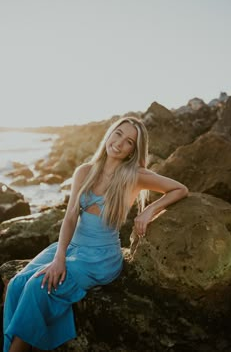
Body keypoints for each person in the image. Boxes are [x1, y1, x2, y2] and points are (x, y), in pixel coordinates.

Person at [3, 115, 188, 352]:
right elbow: (70, 217)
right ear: (110, 133)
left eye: (129, 142)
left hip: (100, 257)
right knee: (18, 283)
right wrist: (59, 257)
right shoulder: (84, 171)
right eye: (118, 134)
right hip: (72, 247)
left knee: (38, 286)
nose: (120, 143)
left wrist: (149, 210)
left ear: (133, 151)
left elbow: (180, 189)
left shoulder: (135, 176)